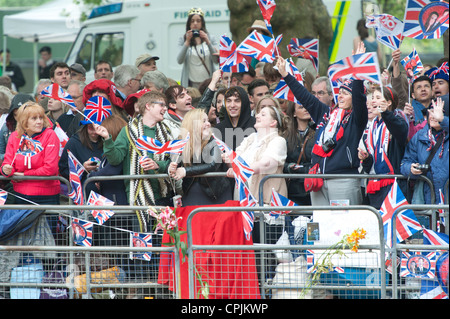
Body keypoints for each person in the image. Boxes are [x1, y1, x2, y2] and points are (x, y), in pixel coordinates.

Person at [276, 47, 368, 206]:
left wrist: (357, 71)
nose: (340, 96)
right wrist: (286, 75)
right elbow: (304, 97)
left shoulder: (356, 118)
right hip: (318, 179)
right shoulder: (325, 113)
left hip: (342, 180)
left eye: (346, 94)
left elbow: (360, 98)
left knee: (343, 228)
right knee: (321, 225)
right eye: (340, 93)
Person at [94, 91, 174, 232]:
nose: (165, 109)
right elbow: (116, 158)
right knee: (144, 243)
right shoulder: (128, 131)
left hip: (164, 196)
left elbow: (173, 161)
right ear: (148, 106)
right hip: (139, 198)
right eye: (161, 105)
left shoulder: (166, 131)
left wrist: (158, 165)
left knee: (164, 244)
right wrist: (107, 139)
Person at [168, 108, 232, 206]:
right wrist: (171, 168)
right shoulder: (181, 141)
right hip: (191, 191)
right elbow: (170, 162)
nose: (208, 124)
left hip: (216, 193)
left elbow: (213, 164)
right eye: (203, 121)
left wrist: (185, 171)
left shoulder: (214, 140)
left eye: (208, 120)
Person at [358, 86, 409, 209]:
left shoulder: (397, 120)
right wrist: (365, 159)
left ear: (389, 102)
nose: (373, 101)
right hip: (376, 185)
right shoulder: (372, 126)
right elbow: (371, 165)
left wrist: (386, 113)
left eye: (378, 98)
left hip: (393, 183)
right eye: (373, 98)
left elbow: (400, 131)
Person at [1, 102, 60, 206]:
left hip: (47, 196)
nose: (39, 122)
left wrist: (24, 175)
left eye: (41, 118)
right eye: (34, 118)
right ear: (24, 121)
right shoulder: (15, 137)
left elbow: (50, 168)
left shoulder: (50, 135)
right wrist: (5, 170)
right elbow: (8, 164)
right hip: (20, 195)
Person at [401, 97, 448, 206]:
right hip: (427, 198)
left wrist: (443, 120)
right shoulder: (419, 136)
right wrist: (410, 168)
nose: (434, 116)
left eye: (439, 112)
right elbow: (405, 162)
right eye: (431, 112)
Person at [58, 99, 109, 199]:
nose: (95, 131)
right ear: (85, 126)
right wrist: (82, 169)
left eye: (98, 127)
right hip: (84, 195)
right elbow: (63, 169)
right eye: (91, 127)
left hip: (106, 193)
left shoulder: (108, 140)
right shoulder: (74, 142)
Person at [88, 115, 128, 205]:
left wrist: (93, 176)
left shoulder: (120, 153)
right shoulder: (108, 152)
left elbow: (111, 170)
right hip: (108, 200)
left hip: (117, 203)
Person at [283, 100, 316, 206]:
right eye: (301, 107)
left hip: (314, 187)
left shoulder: (319, 132)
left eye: (307, 106)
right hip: (294, 189)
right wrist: (289, 167)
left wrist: (306, 169)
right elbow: (280, 161)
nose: (306, 109)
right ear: (293, 113)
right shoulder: (285, 135)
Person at [177, 7, 219, 88]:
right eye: (192, 21)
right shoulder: (183, 39)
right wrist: (187, 42)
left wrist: (208, 41)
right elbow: (179, 60)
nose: (195, 23)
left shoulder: (210, 38)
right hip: (191, 83)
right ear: (189, 24)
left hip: (207, 82)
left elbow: (215, 61)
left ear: (202, 23)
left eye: (198, 21)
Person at [214, 86, 256, 151]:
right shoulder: (218, 129)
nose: (232, 105)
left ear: (244, 103)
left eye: (237, 101)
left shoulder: (256, 125)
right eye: (228, 101)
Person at [0, 94, 34, 162]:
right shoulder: (6, 128)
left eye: (22, 114)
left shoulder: (40, 129)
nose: (18, 118)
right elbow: (0, 153)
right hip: (10, 168)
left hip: (34, 169)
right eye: (15, 115)